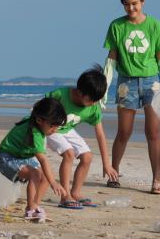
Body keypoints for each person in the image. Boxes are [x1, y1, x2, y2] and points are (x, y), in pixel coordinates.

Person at [101, 0, 160, 194]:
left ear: (143, 2)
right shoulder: (116, 26)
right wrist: (103, 89)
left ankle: (156, 180)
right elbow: (111, 61)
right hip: (126, 83)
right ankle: (114, 174)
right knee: (124, 132)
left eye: (134, 4)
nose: (131, 9)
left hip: (152, 83)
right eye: (126, 5)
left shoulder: (155, 26)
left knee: (154, 132)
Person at [45, 66, 118, 209]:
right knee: (69, 153)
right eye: (92, 100)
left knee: (87, 156)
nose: (94, 103)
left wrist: (106, 164)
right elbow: (39, 109)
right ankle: (65, 195)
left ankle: (76, 192)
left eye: (97, 100)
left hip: (67, 129)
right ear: (80, 92)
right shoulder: (60, 95)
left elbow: (100, 134)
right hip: (50, 129)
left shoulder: (93, 107)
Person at [0, 98, 68, 220]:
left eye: (57, 127)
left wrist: (50, 180)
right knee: (35, 174)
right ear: (39, 120)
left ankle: (34, 205)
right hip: (7, 159)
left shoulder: (34, 122)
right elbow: (43, 160)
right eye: (51, 126)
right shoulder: (35, 133)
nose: (54, 130)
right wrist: (54, 183)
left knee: (45, 176)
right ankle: (30, 208)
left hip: (23, 158)